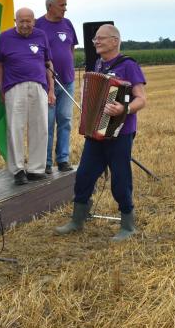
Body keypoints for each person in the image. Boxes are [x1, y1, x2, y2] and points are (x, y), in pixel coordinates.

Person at [55, 24, 147, 241]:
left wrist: (123, 109)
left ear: (114, 41)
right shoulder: (98, 64)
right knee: (85, 174)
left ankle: (128, 225)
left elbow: (141, 99)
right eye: (95, 38)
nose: (95, 42)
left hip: (120, 132)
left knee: (120, 178)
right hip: (96, 132)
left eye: (101, 38)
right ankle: (78, 220)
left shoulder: (128, 65)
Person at [0, 8, 55, 185]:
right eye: (22, 21)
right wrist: (2, 88)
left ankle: (36, 168)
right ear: (15, 21)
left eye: (29, 21)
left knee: (40, 127)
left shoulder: (41, 35)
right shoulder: (4, 37)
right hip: (14, 86)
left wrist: (50, 89)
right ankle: (18, 169)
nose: (26, 24)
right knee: (15, 128)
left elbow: (48, 63)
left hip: (39, 86)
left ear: (34, 21)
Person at [36, 0, 78, 173]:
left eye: (65, 4)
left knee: (65, 120)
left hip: (67, 81)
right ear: (50, 6)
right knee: (48, 123)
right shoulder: (38, 25)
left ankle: (63, 159)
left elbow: (71, 48)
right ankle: (45, 162)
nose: (65, 8)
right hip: (47, 84)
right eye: (62, 5)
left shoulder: (68, 24)